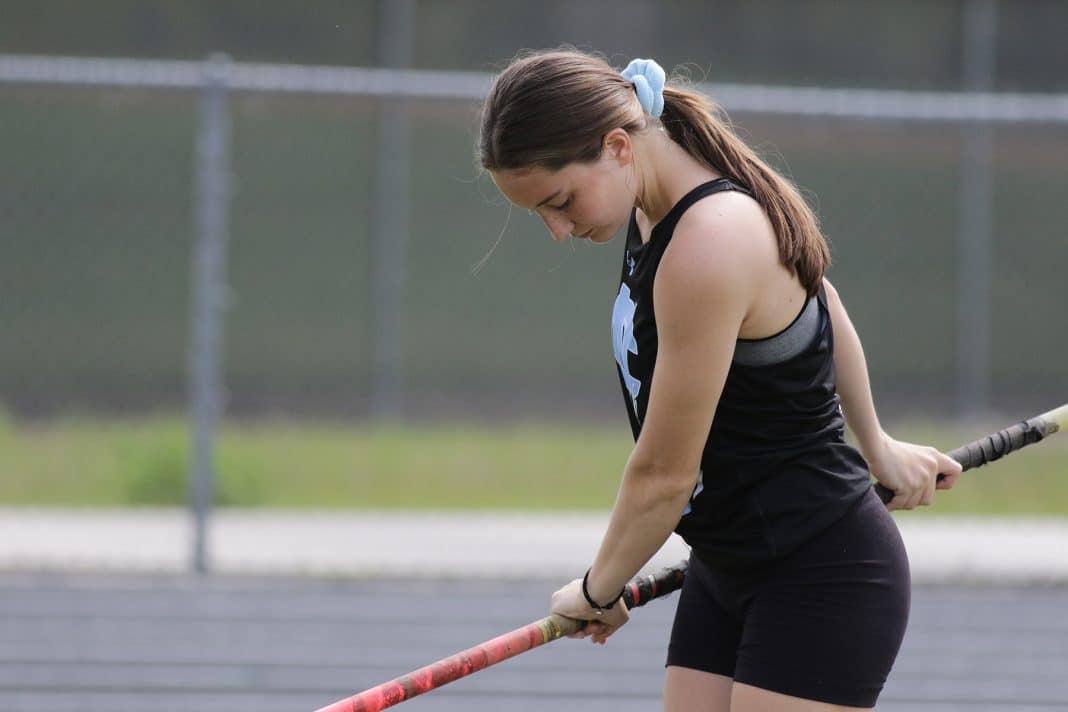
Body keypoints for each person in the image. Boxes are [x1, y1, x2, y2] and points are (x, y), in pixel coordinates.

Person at [478, 49, 962, 712]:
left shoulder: (708, 239)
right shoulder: (653, 204)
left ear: (618, 146)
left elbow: (662, 477)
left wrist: (598, 588)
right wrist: (878, 445)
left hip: (818, 569)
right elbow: (820, 297)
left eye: (559, 202)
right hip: (727, 562)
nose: (558, 230)